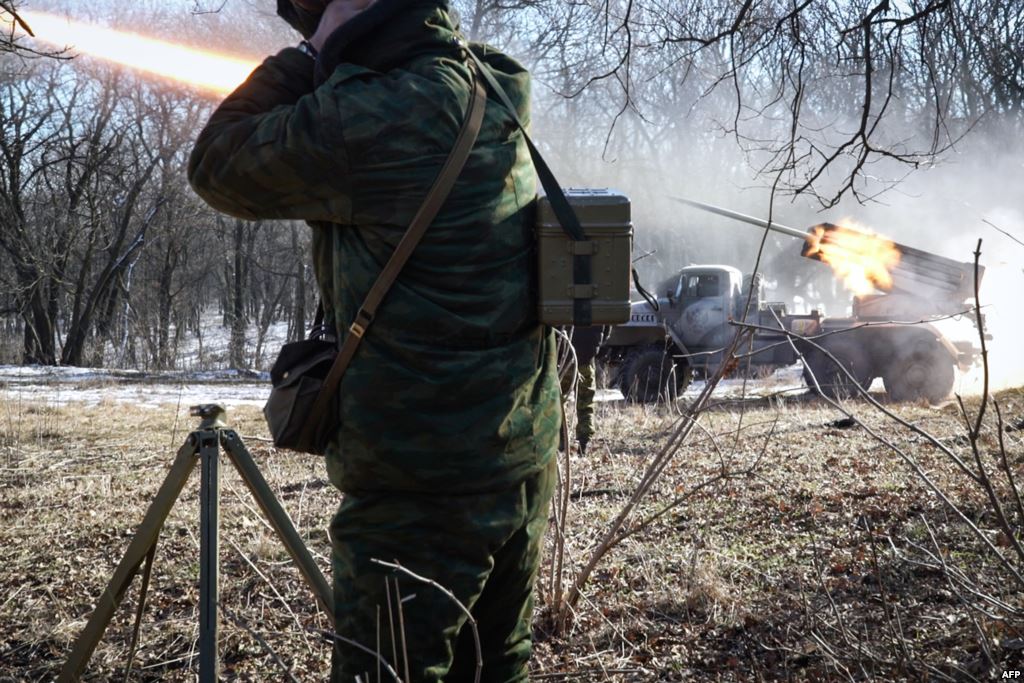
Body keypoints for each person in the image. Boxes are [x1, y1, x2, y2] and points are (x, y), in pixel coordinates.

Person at [187, 1, 561, 680]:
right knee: (496, 668)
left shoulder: (371, 116)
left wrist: (305, 60)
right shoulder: (495, 81)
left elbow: (217, 164)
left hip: (418, 493)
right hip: (518, 459)